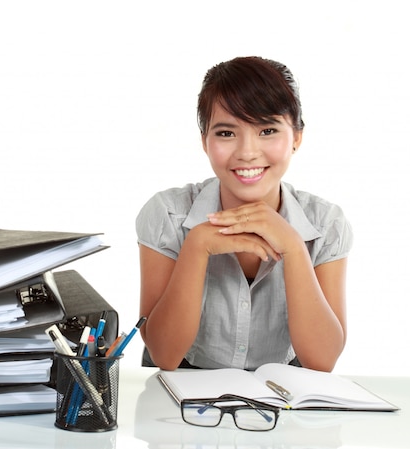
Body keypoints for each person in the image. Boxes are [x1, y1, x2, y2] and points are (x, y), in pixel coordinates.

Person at [136, 56, 352, 372]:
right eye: (226, 133)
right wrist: (197, 247)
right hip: (183, 401)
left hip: (282, 401)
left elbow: (322, 361)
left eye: (267, 130)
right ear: (205, 141)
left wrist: (293, 247)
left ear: (297, 138)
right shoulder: (168, 213)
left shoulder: (325, 223)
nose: (247, 152)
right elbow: (164, 356)